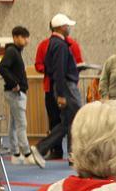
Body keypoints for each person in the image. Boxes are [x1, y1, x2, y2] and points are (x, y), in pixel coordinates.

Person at [32, 13, 84, 168]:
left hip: (62, 87)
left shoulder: (52, 44)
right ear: (62, 27)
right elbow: (59, 71)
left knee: (68, 122)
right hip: (66, 87)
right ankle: (42, 148)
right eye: (68, 26)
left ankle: (70, 155)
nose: (69, 28)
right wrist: (61, 94)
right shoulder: (61, 45)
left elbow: (49, 68)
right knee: (74, 121)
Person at [0, 26, 37, 165]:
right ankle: (26, 153)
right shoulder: (12, 51)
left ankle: (15, 153)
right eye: (23, 37)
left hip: (16, 92)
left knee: (14, 124)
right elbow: (2, 67)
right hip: (15, 93)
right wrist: (14, 83)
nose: (26, 40)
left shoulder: (16, 52)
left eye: (27, 37)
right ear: (15, 37)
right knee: (21, 124)